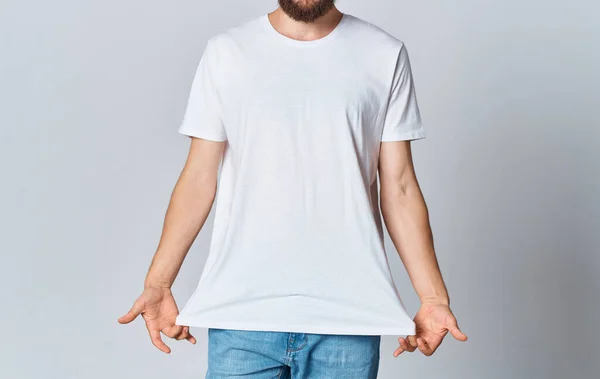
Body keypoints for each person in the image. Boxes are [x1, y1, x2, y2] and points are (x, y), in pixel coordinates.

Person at [119, 1, 467, 377]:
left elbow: (399, 187)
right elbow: (198, 178)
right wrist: (158, 282)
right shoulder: (227, 52)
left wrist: (433, 297)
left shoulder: (384, 54)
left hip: (349, 320)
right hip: (243, 315)